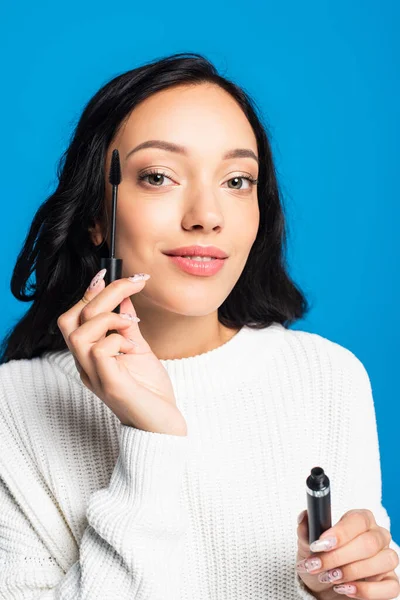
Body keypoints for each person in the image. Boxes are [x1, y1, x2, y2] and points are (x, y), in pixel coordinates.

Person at [0, 52, 398, 600]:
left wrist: (358, 587)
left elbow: (361, 576)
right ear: (97, 216)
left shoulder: (328, 377)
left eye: (237, 180)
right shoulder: (12, 409)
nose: (207, 214)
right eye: (158, 176)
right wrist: (152, 438)